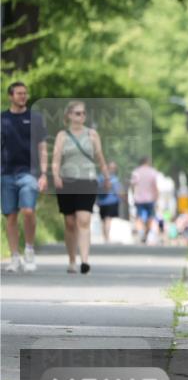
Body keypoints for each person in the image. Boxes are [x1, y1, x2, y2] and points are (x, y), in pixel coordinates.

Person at [51, 101, 110, 274]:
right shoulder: (62, 135)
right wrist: (55, 175)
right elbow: (56, 159)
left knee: (84, 220)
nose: (81, 116)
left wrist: (106, 177)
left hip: (87, 180)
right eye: (77, 113)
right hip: (67, 181)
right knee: (70, 222)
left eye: (83, 113)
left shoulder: (92, 134)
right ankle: (72, 259)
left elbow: (100, 157)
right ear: (68, 115)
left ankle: (85, 261)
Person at [2, 81, 48, 273]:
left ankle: (29, 249)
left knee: (28, 211)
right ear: (11, 96)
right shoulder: (2, 119)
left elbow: (42, 147)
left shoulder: (35, 118)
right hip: (5, 173)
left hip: (29, 173)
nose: (23, 96)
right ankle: (14, 257)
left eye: (25, 93)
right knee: (10, 217)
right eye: (19, 93)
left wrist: (44, 173)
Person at [130, 157, 159, 244]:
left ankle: (141, 232)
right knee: (150, 217)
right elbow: (155, 186)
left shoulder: (136, 172)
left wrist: (133, 194)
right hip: (150, 198)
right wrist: (157, 197)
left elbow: (132, 185)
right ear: (147, 162)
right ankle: (146, 233)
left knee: (139, 217)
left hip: (139, 198)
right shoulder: (152, 172)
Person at [97, 161, 124, 243]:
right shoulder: (114, 179)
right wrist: (122, 198)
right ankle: (107, 237)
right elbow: (118, 191)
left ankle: (105, 237)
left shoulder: (100, 177)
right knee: (108, 219)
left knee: (103, 220)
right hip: (111, 201)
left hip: (101, 202)